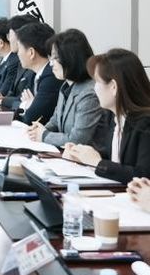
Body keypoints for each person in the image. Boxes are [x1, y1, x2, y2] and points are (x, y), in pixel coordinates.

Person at [64, 49, 150, 184]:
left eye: (97, 82)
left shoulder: (146, 123)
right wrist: (81, 155)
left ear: (114, 87)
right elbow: (114, 158)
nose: (94, 88)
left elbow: (143, 175)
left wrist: (97, 163)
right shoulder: (112, 116)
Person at [27, 29, 107, 148]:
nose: (51, 63)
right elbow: (55, 121)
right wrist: (38, 130)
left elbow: (77, 139)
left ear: (71, 58)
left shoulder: (89, 93)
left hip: (86, 157)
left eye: (55, 58)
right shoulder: (66, 86)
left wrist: (44, 135)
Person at [11, 22, 61, 124]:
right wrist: (26, 105)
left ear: (31, 53)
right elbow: (20, 99)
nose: (18, 53)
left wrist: (27, 105)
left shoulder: (51, 76)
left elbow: (31, 118)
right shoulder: (35, 74)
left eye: (19, 48)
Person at [0, 14, 39, 110]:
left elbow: (26, 101)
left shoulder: (35, 67)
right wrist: (3, 98)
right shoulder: (20, 61)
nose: (8, 39)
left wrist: (4, 100)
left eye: (10, 35)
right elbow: (12, 92)